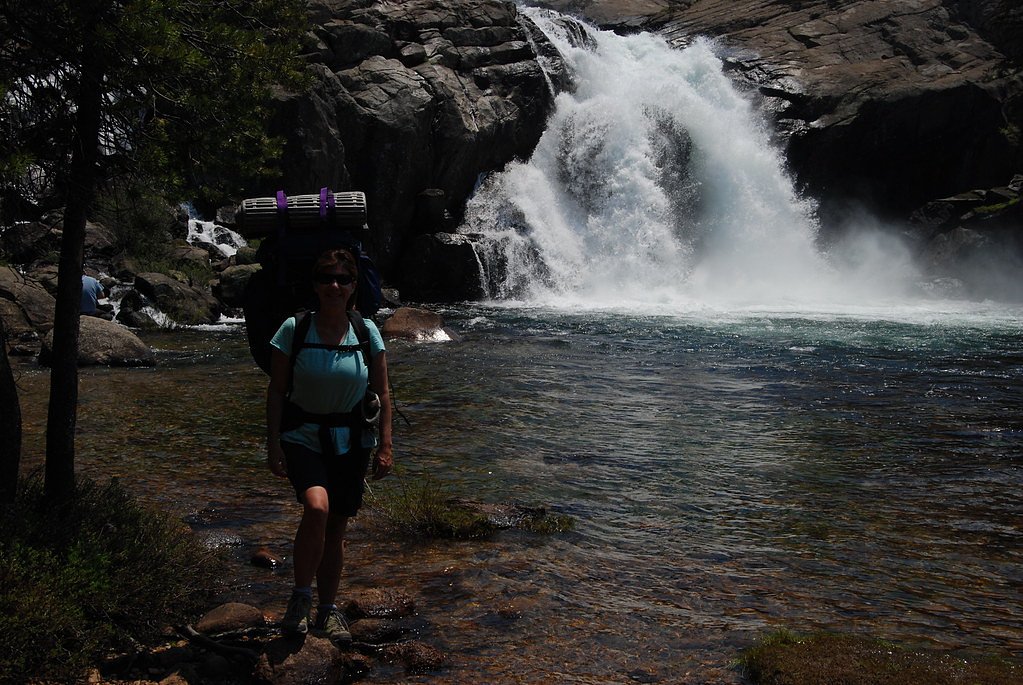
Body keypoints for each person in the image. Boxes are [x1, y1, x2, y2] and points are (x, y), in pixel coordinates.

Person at [265, 246, 393, 645]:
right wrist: (272, 443)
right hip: (302, 435)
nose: (334, 286)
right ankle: (300, 598)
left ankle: (327, 609)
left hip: (352, 440)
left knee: (336, 526)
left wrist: (386, 445)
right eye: (326, 279)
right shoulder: (294, 329)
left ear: (354, 286)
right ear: (315, 285)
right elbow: (276, 390)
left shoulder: (366, 331)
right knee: (317, 508)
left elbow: (384, 393)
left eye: (342, 279)